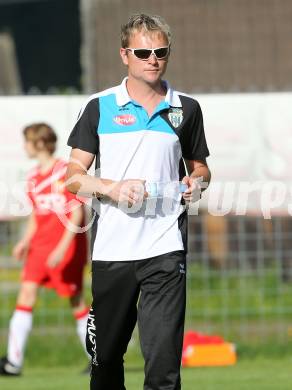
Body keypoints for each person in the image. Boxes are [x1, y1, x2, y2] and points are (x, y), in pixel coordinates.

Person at [65, 13, 211, 390]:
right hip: (113, 249)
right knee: (107, 358)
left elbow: (201, 169)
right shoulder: (99, 107)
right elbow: (73, 177)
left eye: (160, 51)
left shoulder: (186, 109)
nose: (153, 59)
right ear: (124, 55)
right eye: (143, 52)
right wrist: (111, 188)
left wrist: (196, 183)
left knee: (163, 365)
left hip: (165, 245)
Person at [0, 123, 90, 376]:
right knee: (26, 294)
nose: (24, 146)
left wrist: (63, 248)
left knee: (76, 300)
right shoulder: (32, 176)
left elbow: (76, 211)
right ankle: (13, 363)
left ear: (39, 143)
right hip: (39, 249)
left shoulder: (64, 172)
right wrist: (25, 242)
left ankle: (97, 360)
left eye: (27, 141)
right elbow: (36, 215)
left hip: (66, 248)